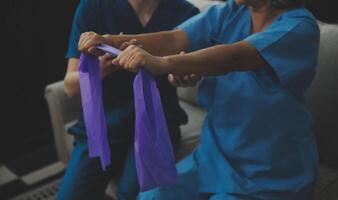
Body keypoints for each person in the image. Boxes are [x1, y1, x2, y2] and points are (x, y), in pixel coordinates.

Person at [78, 0, 320, 199]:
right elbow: (173, 39)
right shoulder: (228, 13)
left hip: (270, 168)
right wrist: (111, 41)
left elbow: (234, 57)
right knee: (151, 196)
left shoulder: (299, 27)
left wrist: (163, 63)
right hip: (215, 153)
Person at [56, 0, 199, 200]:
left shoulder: (185, 13)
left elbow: (175, 71)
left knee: (134, 194)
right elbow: (70, 86)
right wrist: (104, 67)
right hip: (103, 123)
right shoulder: (93, 7)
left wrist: (178, 76)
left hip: (155, 124)